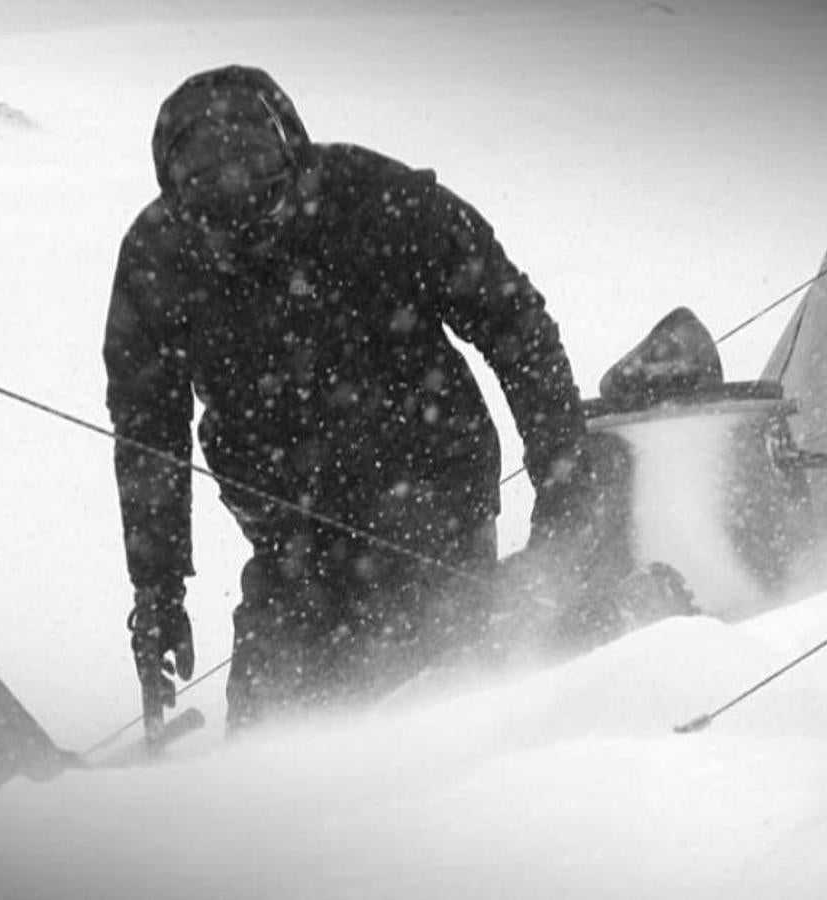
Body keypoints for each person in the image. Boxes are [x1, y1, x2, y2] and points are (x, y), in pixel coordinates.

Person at [103, 64, 589, 733]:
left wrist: (563, 482)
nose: (246, 235)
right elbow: (145, 432)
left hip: (432, 495)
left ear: (293, 164)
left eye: (263, 201)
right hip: (288, 533)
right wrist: (156, 591)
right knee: (267, 738)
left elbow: (517, 330)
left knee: (421, 705)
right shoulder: (157, 259)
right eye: (217, 220)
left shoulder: (383, 203)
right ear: (183, 208)